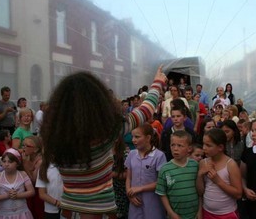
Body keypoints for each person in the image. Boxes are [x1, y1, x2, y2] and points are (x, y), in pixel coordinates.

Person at [40, 66, 167, 218]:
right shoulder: (108, 133)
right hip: (101, 213)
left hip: (70, 212)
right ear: (98, 102)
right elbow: (145, 110)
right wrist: (157, 83)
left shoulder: (54, 139)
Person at [197, 128, 242, 219]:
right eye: (203, 144)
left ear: (220, 147)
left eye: (208, 145)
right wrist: (200, 175)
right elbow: (200, 192)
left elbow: (238, 194)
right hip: (207, 212)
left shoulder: (230, 165)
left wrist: (218, 181)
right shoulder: (203, 163)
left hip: (227, 214)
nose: (204, 148)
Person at [125, 123, 167, 219]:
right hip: (135, 202)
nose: (133, 140)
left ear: (148, 138)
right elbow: (129, 177)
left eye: (137, 137)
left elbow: (161, 182)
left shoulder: (159, 156)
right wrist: (129, 193)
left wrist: (140, 188)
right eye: (133, 137)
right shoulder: (132, 154)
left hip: (153, 202)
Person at [156, 130, 199, 219]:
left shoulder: (195, 165)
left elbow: (200, 191)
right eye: (173, 145)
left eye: (180, 145)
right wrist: (170, 212)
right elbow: (162, 193)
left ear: (189, 148)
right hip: (175, 216)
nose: (175, 148)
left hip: (194, 215)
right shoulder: (165, 169)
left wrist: (199, 212)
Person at [0, 148, 34, 218]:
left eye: (10, 162)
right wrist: (6, 196)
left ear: (17, 163)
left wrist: (18, 195)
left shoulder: (22, 174)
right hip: (6, 215)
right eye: (4, 161)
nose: (6, 164)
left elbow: (32, 191)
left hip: (22, 214)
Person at [22, 136, 44, 219]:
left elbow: (34, 181)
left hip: (38, 194)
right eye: (22, 145)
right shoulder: (27, 157)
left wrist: (25, 165)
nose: (23, 148)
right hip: (27, 193)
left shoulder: (40, 162)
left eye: (26, 146)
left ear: (36, 149)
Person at [111, 136, 129, 219]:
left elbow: (129, 174)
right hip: (108, 191)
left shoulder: (125, 153)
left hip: (120, 192)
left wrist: (114, 174)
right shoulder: (104, 152)